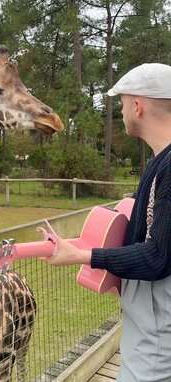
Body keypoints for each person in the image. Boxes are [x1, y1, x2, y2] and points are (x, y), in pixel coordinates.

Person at [42, 63, 171, 381]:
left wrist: (84, 256)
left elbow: (158, 256)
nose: (123, 111)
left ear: (138, 106)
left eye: (123, 103)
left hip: (157, 345)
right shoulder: (160, 162)